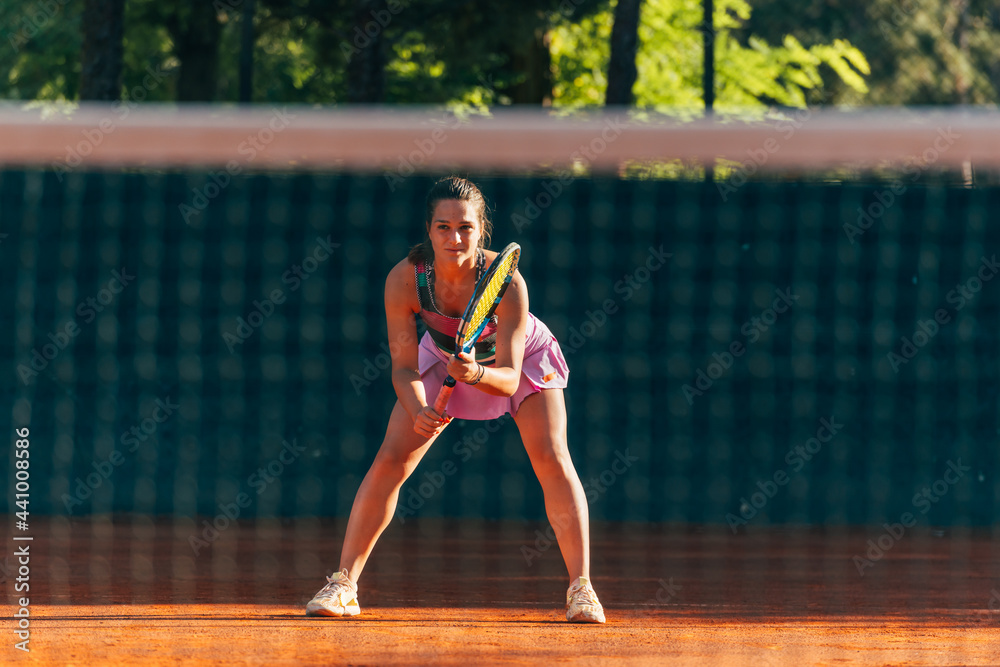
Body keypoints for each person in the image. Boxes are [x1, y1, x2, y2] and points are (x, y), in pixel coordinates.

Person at [306, 176, 605, 623]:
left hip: (518, 361)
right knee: (392, 459)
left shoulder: (509, 283)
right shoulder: (405, 280)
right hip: (443, 355)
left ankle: (582, 589)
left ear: (481, 230)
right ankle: (343, 584)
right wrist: (418, 409)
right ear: (428, 229)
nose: (454, 237)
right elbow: (404, 366)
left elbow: (507, 378)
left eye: (465, 227)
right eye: (443, 227)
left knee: (552, 457)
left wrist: (478, 373)